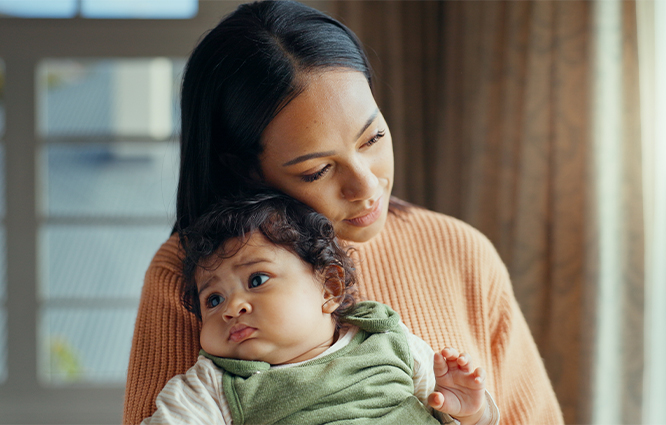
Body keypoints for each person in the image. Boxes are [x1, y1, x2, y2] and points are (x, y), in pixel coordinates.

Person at [123, 1, 565, 424]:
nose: (368, 187)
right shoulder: (198, 275)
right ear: (246, 172)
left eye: (372, 138)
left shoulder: (461, 251)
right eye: (318, 170)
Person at [141, 191, 499, 425]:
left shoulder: (385, 339)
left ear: (329, 287)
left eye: (256, 280)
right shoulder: (219, 382)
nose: (231, 308)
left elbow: (446, 409)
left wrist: (471, 411)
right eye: (213, 300)